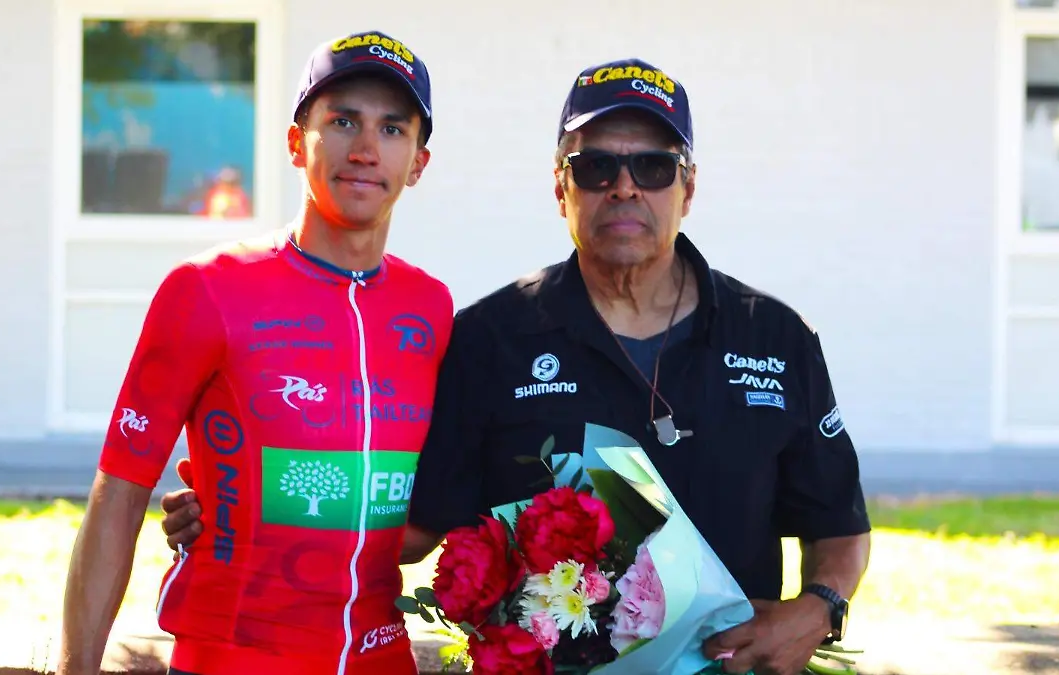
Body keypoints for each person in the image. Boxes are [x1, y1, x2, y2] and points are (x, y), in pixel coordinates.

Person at [161, 57, 872, 675]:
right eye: (595, 167)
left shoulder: (777, 338)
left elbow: (839, 524)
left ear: (688, 189)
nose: (624, 187)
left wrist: (819, 609)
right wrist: (242, 504)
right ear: (561, 189)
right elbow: (411, 528)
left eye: (653, 167)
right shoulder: (489, 340)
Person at [58, 29, 454, 675]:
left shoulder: (431, 308)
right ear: (297, 143)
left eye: (391, 129)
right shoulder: (207, 288)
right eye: (343, 121)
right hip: (232, 657)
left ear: (418, 162)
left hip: (381, 657)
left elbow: (406, 526)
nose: (364, 149)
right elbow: (119, 494)